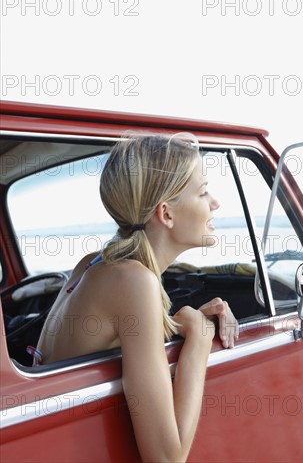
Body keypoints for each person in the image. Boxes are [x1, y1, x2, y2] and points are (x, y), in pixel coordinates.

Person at [35, 133, 239, 463]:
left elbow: (114, 333)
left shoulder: (95, 263)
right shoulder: (135, 281)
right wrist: (200, 339)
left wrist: (177, 324)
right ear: (166, 214)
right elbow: (166, 458)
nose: (215, 202)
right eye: (203, 192)